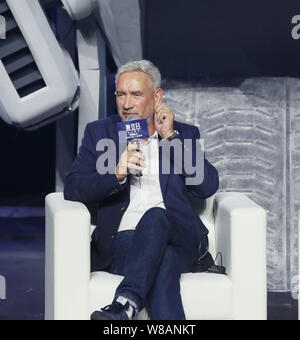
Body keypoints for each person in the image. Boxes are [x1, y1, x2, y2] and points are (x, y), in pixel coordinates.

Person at [64, 60, 219, 320]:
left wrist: (170, 138)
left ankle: (124, 304)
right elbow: (73, 188)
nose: (126, 104)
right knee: (164, 259)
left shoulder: (183, 133)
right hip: (124, 240)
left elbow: (207, 186)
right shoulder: (99, 132)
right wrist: (116, 174)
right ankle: (127, 304)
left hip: (180, 235)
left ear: (157, 97)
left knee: (156, 216)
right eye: (120, 94)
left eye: (136, 94)